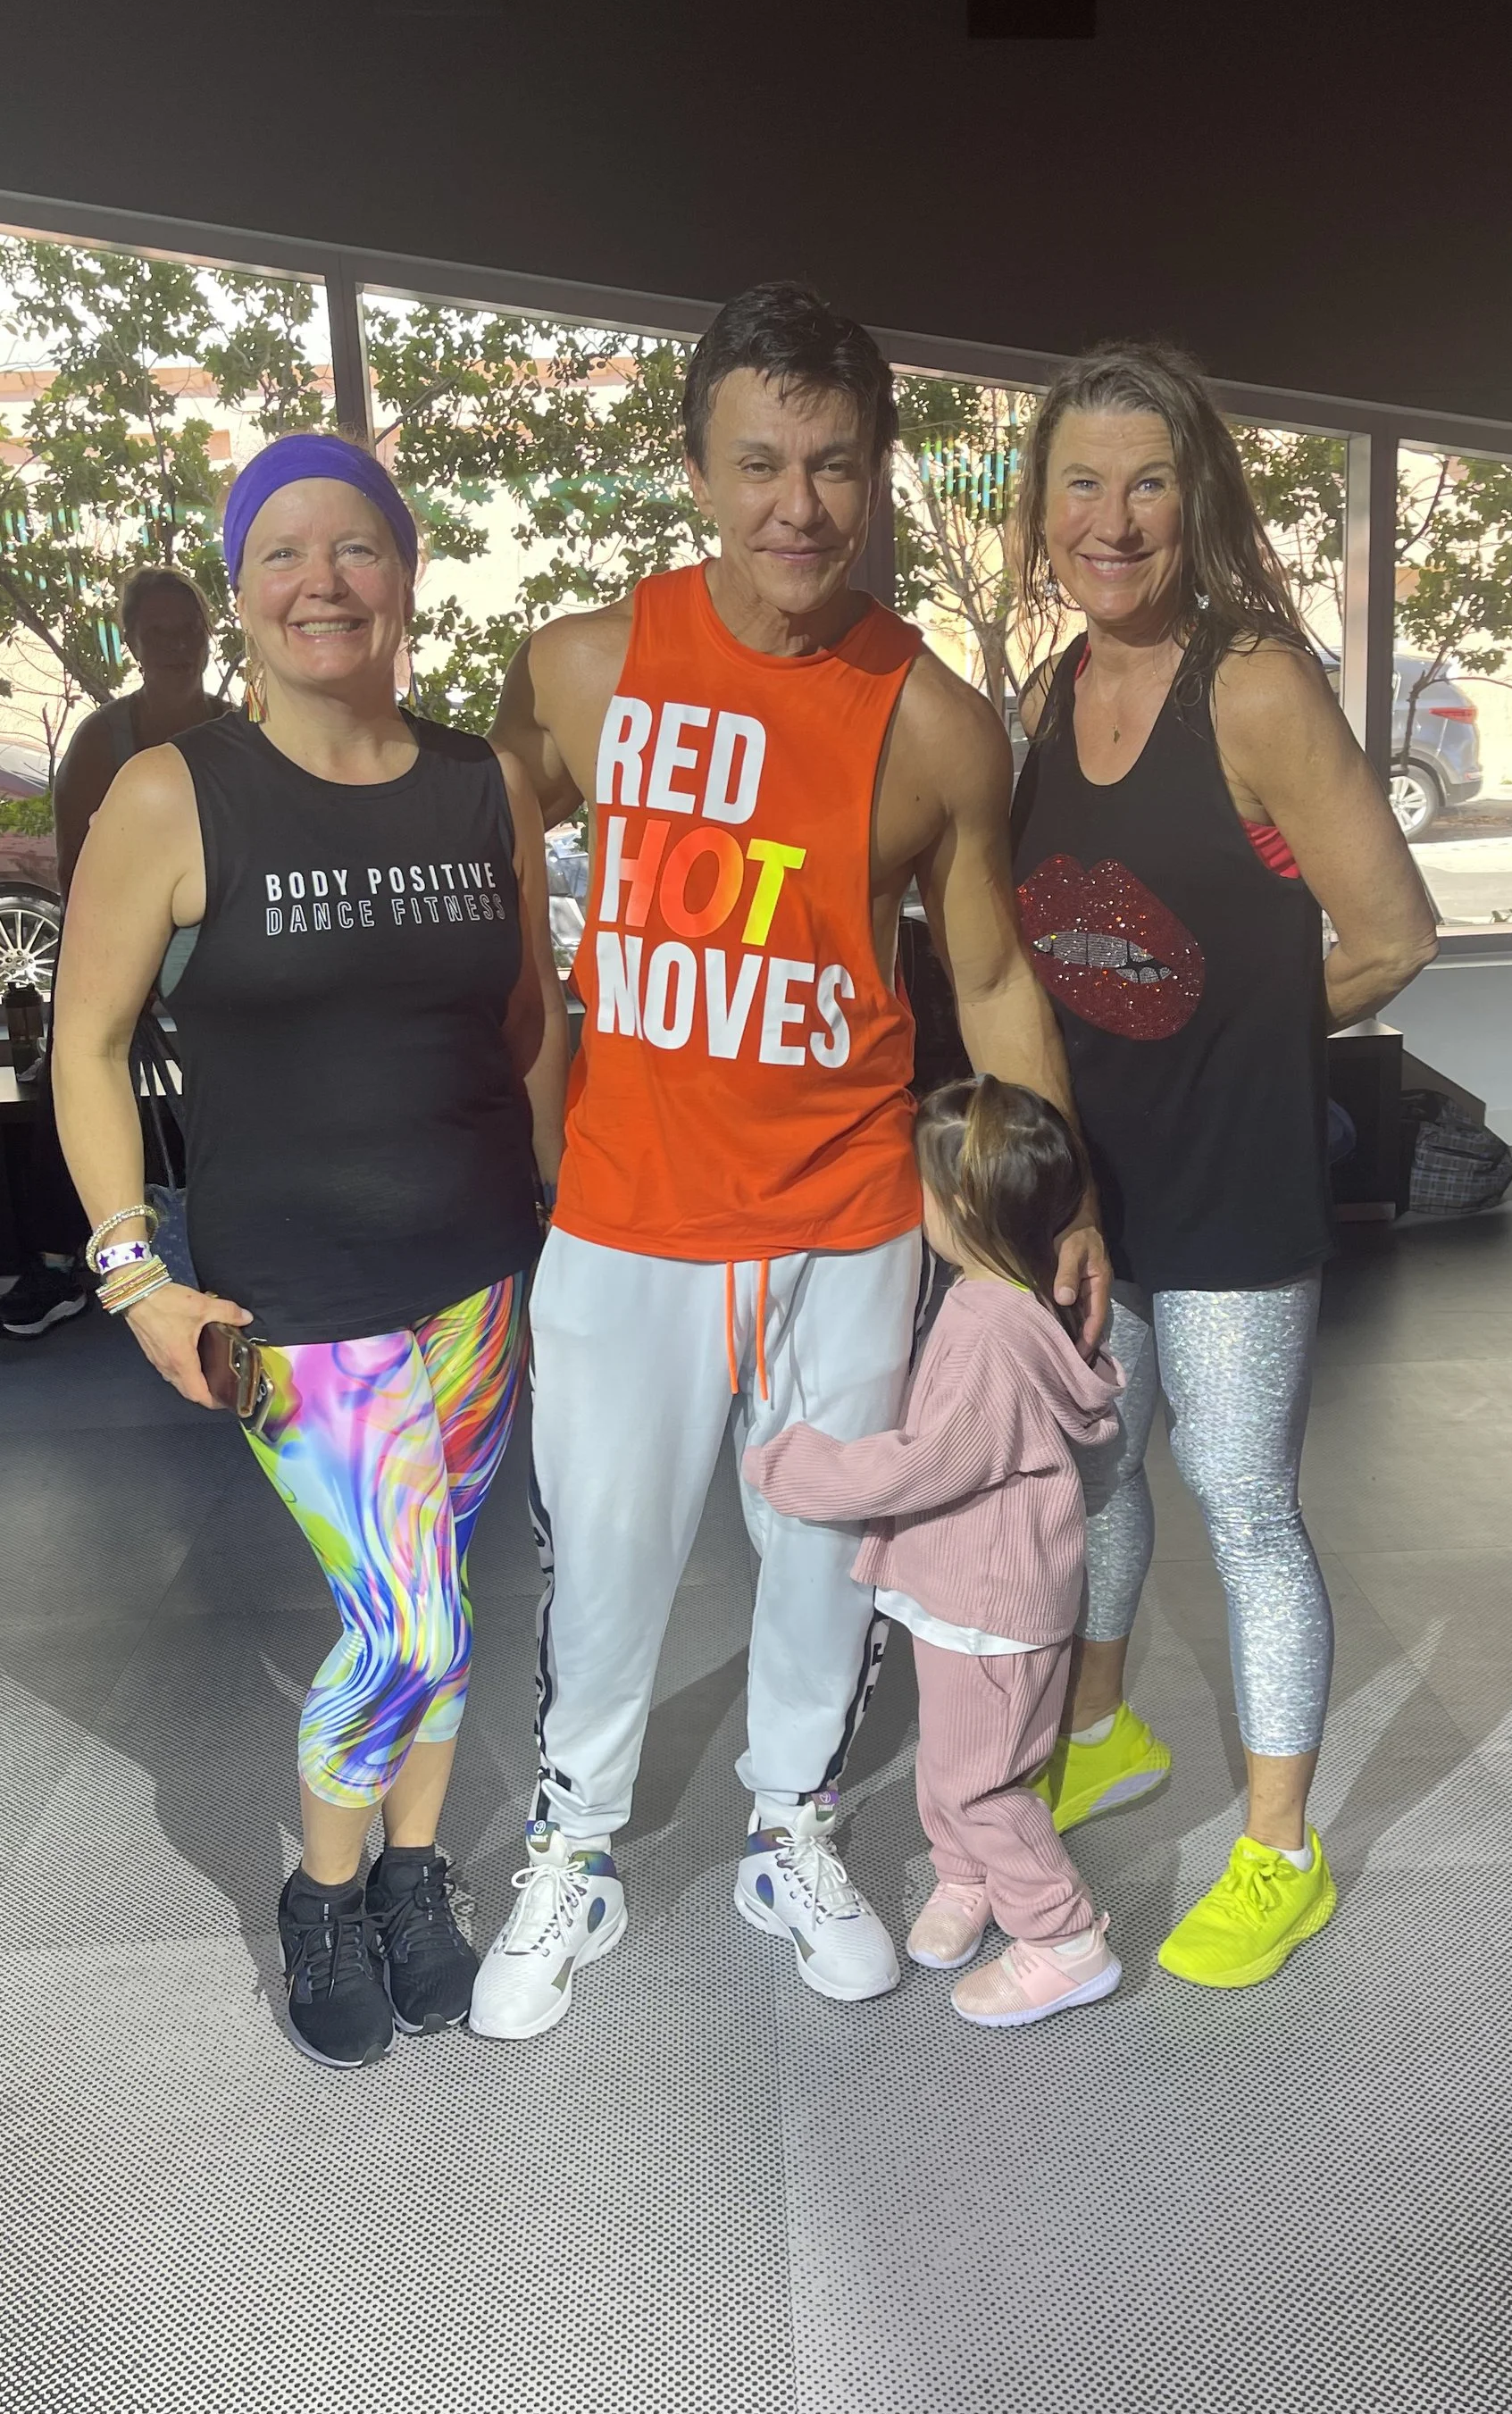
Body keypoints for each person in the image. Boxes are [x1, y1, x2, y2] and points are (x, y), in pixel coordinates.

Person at [469, 282, 1109, 2042]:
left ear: (878, 472)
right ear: (695, 468)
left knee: (829, 1554)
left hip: (840, 1218)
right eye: (758, 462)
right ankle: (576, 1851)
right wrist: (515, 1079)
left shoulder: (934, 721)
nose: (797, 504)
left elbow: (987, 977)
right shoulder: (581, 668)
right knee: (600, 1554)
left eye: (833, 464)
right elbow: (482, 829)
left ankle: (791, 1827)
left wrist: (1060, 1205)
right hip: (626, 1207)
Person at [51, 434, 567, 2067]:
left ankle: (418, 1878)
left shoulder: (485, 780)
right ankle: (325, 1893)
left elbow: (528, 1014)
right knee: (404, 1623)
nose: (322, 581)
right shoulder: (174, 790)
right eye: (284, 553)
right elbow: (85, 1044)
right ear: (240, 590)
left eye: (357, 549)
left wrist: (565, 1226)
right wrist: (134, 1275)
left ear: (405, 577)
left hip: (481, 1269)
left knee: (450, 1602)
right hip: (297, 1291)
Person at [1008, 339, 1436, 1988]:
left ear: (1203, 498)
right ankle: (1102, 1727)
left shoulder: (1252, 681)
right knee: (1102, 1474)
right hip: (1092, 1180)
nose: (1112, 519)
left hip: (1237, 1180)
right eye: (1081, 483)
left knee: (1244, 1501)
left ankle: (1283, 1849)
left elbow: (1395, 935)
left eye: (1150, 483)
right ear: (1042, 507)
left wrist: (1234, 1038)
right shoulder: (1048, 693)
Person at [744, 1077, 1124, 2027]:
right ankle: (969, 1879)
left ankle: (1064, 1938)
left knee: (981, 1777)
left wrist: (797, 1466)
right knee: (961, 1755)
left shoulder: (987, 1327)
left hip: (989, 1602)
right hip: (973, 1591)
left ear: (955, 1206)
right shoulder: (1004, 1294)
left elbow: (928, 1464)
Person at [0, 567, 227, 1340]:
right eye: (159, 633)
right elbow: (77, 878)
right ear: (132, 642)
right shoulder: (102, 742)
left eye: (188, 629)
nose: (177, 645)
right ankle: (62, 1264)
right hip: (127, 939)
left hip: (219, 940)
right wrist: (142, 971)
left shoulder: (241, 731)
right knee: (77, 1059)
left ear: (208, 632)